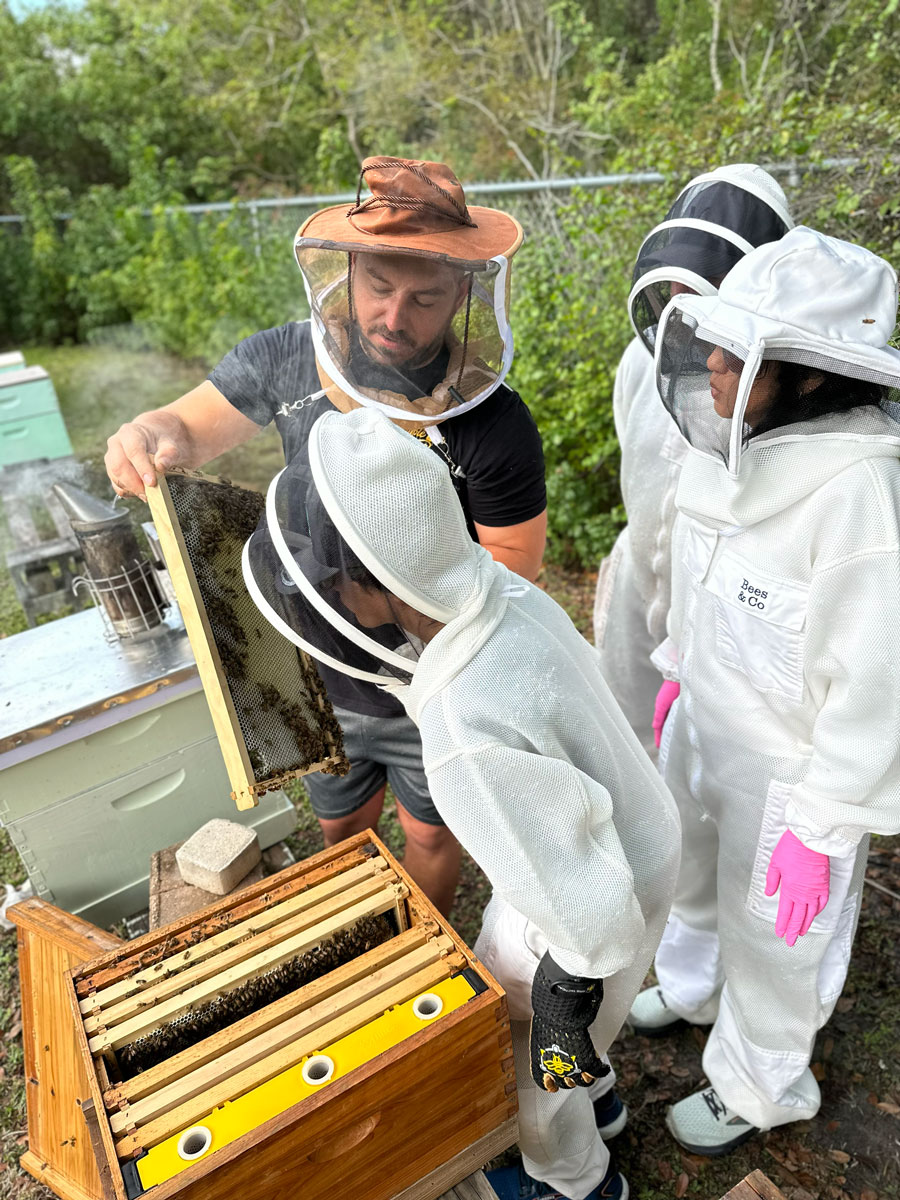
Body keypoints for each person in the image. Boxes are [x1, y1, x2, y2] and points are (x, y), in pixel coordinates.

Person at [242, 405, 682, 1200]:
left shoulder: (461, 729)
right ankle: (599, 1089)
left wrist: (564, 999)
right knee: (569, 1011)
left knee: (530, 1066)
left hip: (593, 905)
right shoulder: (499, 593)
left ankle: (573, 1178)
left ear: (372, 579)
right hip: (634, 838)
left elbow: (586, 913)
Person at [104, 157, 548, 915]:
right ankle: (356, 920)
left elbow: (514, 570)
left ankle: (417, 937)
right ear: (345, 272)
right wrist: (149, 433)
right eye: (379, 287)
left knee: (433, 835)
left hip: (429, 682)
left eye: (425, 298)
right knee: (341, 821)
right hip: (306, 669)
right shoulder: (284, 358)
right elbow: (182, 427)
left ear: (463, 297)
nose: (394, 317)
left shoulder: (495, 424)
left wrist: (413, 619)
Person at [632, 226, 900, 1154]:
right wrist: (674, 673)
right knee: (694, 876)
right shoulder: (736, 438)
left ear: (812, 371)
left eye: (739, 351)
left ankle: (760, 1082)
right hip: (705, 725)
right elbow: (696, 580)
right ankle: (695, 982)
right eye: (715, 339)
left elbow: (878, 682)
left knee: (781, 941)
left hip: (793, 774)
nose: (710, 364)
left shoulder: (862, 491)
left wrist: (824, 824)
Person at [593, 165, 793, 756]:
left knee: (706, 760)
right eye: (675, 287)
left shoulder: (779, 377)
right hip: (637, 576)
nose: (682, 303)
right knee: (627, 741)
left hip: (718, 597)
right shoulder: (640, 359)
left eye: (704, 284)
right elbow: (637, 455)